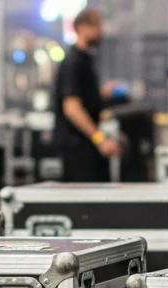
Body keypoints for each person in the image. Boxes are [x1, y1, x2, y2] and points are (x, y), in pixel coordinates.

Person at [52, 8, 122, 183]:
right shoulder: (73, 62)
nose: (102, 31)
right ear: (82, 28)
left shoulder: (85, 60)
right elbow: (72, 108)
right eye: (98, 26)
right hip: (77, 148)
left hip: (84, 147)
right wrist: (99, 139)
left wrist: (100, 96)